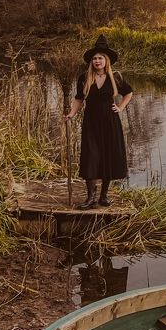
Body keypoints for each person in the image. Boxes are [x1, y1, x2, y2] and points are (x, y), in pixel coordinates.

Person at [66, 34, 133, 210]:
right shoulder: (84, 78)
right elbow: (79, 98)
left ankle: (104, 196)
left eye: (100, 58)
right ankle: (90, 198)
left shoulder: (116, 77)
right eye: (95, 58)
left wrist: (120, 107)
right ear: (91, 61)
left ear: (106, 60)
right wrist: (71, 114)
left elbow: (129, 93)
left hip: (110, 122)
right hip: (91, 123)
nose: (97, 61)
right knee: (91, 157)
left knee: (107, 156)